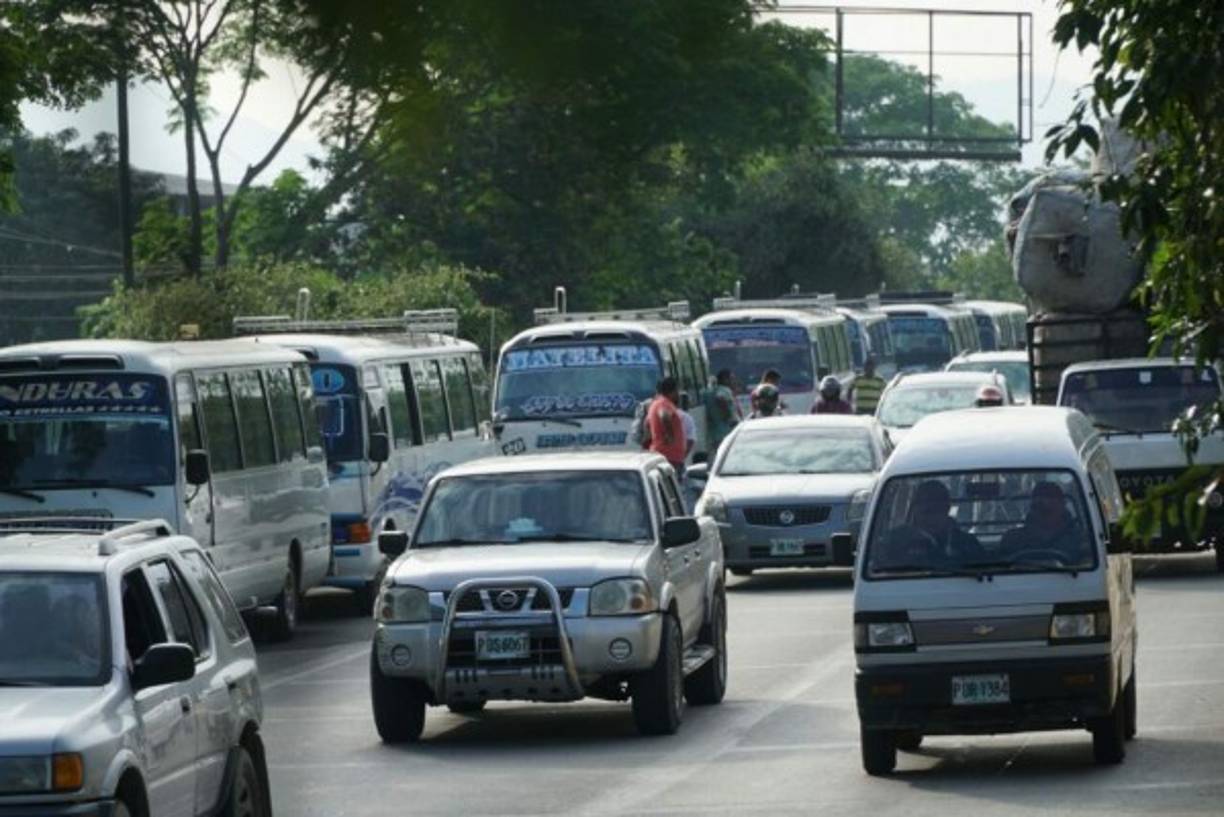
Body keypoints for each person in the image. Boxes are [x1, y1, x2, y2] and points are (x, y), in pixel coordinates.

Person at [878, 479, 983, 570]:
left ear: (947, 509)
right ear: (915, 510)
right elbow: (879, 573)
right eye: (927, 511)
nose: (931, 518)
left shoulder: (967, 544)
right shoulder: (895, 542)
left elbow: (984, 575)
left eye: (937, 511)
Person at [999, 482, 1088, 563]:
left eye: (1050, 508)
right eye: (1038, 507)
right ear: (1032, 508)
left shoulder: (1080, 539)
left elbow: (1088, 568)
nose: (1044, 508)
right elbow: (1001, 570)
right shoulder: (1012, 539)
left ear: (1062, 505)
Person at [646, 377, 687, 474]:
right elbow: (664, 415)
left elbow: (647, 425)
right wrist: (670, 436)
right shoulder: (664, 403)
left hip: (662, 454)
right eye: (677, 390)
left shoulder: (654, 404)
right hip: (669, 457)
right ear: (672, 391)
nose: (678, 394)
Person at [704, 369, 740, 454]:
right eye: (732, 379)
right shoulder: (724, 390)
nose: (733, 382)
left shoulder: (709, 392)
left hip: (714, 434)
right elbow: (720, 397)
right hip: (725, 433)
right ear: (725, 379)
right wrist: (728, 416)